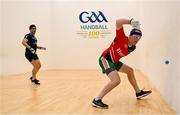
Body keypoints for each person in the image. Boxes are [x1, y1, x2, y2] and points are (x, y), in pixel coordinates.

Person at [92, 18, 152, 109]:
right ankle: (97, 100)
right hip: (105, 59)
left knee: (130, 71)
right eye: (135, 36)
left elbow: (135, 35)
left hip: (114, 61)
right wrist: (130, 22)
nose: (137, 39)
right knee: (116, 80)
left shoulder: (132, 47)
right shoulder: (121, 37)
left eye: (139, 38)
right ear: (130, 36)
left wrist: (138, 30)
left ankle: (138, 92)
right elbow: (118, 22)